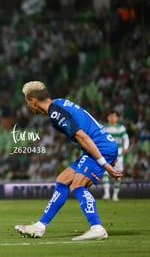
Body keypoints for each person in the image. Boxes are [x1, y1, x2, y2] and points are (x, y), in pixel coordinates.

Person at [14, 81, 123, 241]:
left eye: (27, 101)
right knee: (63, 180)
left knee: (77, 185)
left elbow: (82, 136)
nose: (28, 106)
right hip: (101, 146)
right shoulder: (58, 103)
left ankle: (97, 228)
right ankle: (39, 227)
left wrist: (104, 163)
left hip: (99, 147)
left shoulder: (56, 113)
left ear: (33, 100)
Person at [102, 110, 129, 201]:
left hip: (119, 155)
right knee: (105, 174)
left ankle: (115, 195)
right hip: (107, 154)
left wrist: (125, 147)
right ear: (108, 117)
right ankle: (106, 194)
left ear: (117, 118)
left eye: (114, 116)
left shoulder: (120, 128)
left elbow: (126, 138)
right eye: (111, 116)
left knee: (118, 174)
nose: (113, 118)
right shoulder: (104, 128)